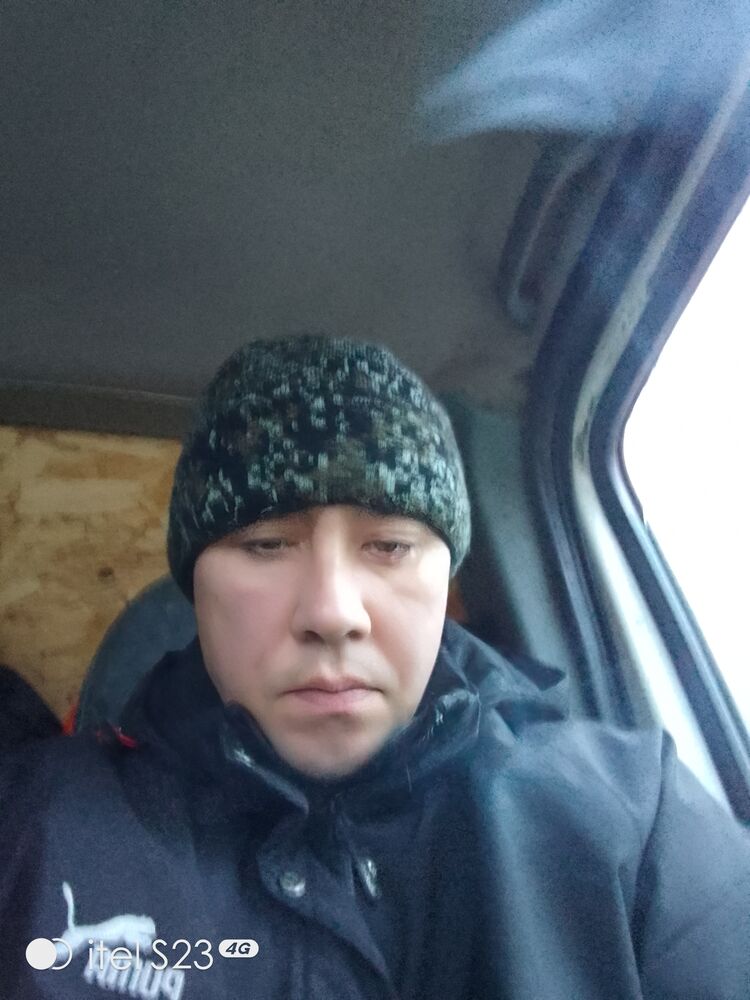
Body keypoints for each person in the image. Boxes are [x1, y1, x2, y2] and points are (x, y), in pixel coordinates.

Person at [1, 334, 748, 1000]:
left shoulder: (635, 829)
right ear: (196, 585)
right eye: (266, 544)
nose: (333, 612)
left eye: (389, 546)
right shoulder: (33, 825)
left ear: (445, 580)